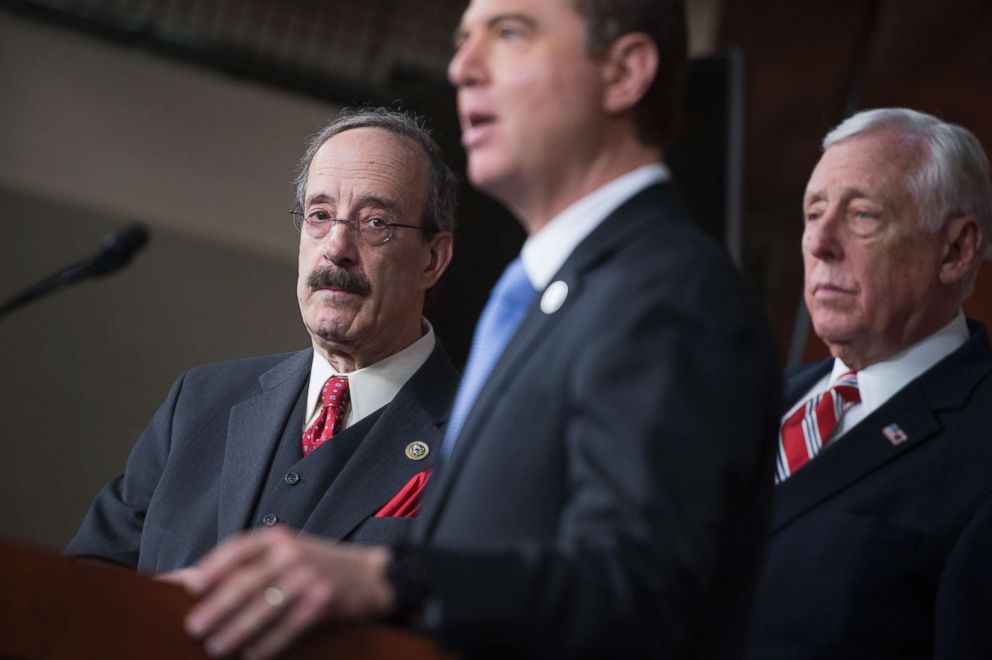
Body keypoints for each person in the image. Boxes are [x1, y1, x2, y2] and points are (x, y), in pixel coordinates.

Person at [171, 1, 781, 658]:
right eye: (464, 41)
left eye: (510, 33)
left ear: (624, 72)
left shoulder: (669, 293)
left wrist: (386, 577)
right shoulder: (549, 297)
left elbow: (632, 589)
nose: (463, 67)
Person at [66, 107, 460, 571]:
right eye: (319, 215)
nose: (336, 247)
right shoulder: (199, 403)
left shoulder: (474, 438)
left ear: (432, 260)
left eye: (375, 223)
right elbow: (88, 580)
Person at [746, 108, 992, 659]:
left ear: (955, 250)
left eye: (862, 215)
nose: (819, 243)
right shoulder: (750, 401)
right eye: (814, 213)